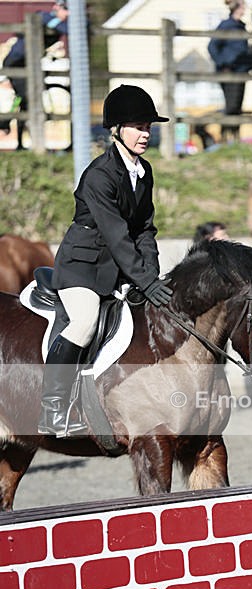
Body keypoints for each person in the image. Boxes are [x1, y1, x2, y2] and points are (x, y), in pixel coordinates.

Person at [38, 84, 176, 437]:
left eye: (148, 127)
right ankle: (52, 407)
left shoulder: (143, 171)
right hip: (81, 267)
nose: (145, 134)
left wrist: (151, 275)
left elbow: (144, 229)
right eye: (138, 127)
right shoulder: (99, 175)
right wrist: (143, 280)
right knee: (84, 322)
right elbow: (116, 234)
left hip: (117, 269)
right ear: (117, 130)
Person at [0, 0, 69, 149]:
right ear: (56, 7)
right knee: (26, 99)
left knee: (25, 101)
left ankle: (10, 128)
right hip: (16, 63)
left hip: (30, 65)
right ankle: (7, 125)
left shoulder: (55, 21)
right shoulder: (45, 17)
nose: (68, 13)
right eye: (65, 9)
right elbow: (63, 27)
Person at [207, 0, 252, 143]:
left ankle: (235, 137)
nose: (245, 9)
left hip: (241, 71)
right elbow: (212, 46)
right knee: (232, 105)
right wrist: (223, 63)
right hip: (229, 71)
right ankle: (226, 136)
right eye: (243, 6)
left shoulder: (240, 26)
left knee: (237, 104)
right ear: (237, 8)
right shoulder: (226, 25)